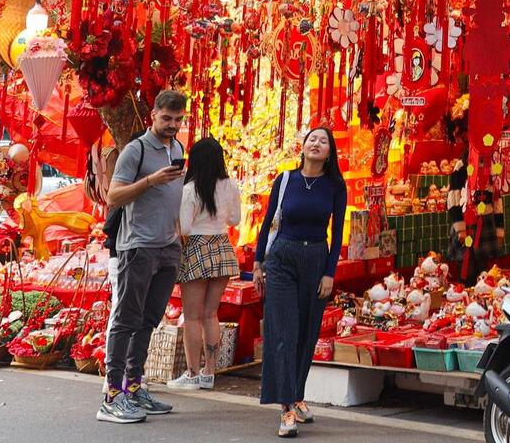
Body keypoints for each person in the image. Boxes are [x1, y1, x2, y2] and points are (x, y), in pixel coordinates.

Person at [98, 89, 189, 426]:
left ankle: (134, 387)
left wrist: (177, 235)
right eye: (166, 118)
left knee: (149, 320)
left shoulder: (177, 149)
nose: (172, 125)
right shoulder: (135, 150)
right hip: (137, 245)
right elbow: (113, 196)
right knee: (126, 319)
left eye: (178, 120)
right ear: (153, 115)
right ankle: (112, 395)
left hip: (168, 246)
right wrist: (150, 180)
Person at [255, 126, 347, 439]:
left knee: (307, 333)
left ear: (330, 152)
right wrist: (258, 263)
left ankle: (297, 393)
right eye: (312, 139)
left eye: (323, 141)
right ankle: (286, 409)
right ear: (303, 146)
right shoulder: (285, 180)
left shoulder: (335, 186)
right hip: (283, 257)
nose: (316, 144)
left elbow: (337, 233)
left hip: (316, 259)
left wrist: (329, 272)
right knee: (283, 332)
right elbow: (269, 222)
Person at [169, 136, 240, 392]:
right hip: (222, 246)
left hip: (197, 246)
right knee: (211, 313)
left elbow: (186, 228)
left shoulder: (190, 189)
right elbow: (235, 220)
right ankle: (209, 372)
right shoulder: (230, 184)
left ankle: (192, 373)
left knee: (192, 316)